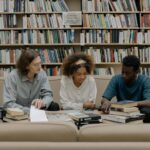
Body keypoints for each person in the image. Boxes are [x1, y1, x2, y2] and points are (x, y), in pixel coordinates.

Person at [3, 49, 59, 114]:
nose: (40, 67)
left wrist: (43, 102)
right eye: (35, 65)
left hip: (37, 113)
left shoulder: (42, 73)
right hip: (18, 114)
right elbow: (8, 103)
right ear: (26, 66)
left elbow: (48, 95)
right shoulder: (13, 77)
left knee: (54, 106)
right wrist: (29, 111)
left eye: (40, 63)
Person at [101, 55, 150, 122]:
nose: (124, 75)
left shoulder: (145, 80)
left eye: (127, 73)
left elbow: (148, 102)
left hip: (140, 113)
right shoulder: (116, 79)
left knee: (147, 111)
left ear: (137, 71)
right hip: (121, 113)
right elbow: (105, 98)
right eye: (122, 72)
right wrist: (106, 102)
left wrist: (131, 104)